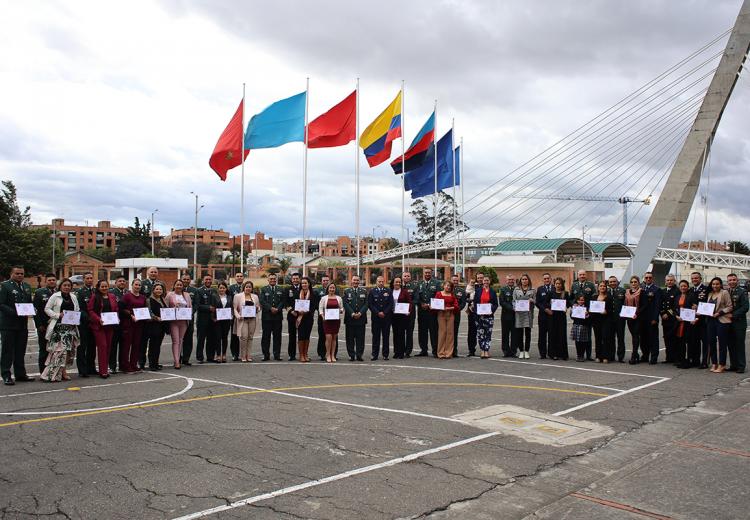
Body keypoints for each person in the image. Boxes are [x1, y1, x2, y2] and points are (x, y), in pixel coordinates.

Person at [40, 278, 80, 382]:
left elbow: (77, 310)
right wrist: (58, 315)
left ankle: (63, 371)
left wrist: (75, 317)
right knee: (58, 352)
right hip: (58, 328)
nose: (67, 287)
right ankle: (49, 374)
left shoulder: (73, 297)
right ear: (60, 286)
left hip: (70, 327)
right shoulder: (55, 296)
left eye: (68, 285)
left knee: (68, 351)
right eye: (64, 285)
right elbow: (47, 309)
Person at [0, 266, 33, 385]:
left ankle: (20, 374)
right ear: (11, 274)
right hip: (8, 324)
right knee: (7, 351)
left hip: (22, 324)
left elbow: (28, 303)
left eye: (22, 274)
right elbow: (2, 304)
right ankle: (6, 375)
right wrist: (15, 312)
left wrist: (31, 310)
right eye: (17, 273)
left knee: (20, 350)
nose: (20, 275)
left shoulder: (27, 286)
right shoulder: (5, 286)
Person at [87, 279, 119, 378]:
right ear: (98, 287)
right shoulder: (94, 297)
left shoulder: (112, 296)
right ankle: (103, 371)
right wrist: (98, 319)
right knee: (103, 347)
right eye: (102, 286)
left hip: (110, 325)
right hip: (99, 326)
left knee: (108, 347)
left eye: (106, 286)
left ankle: (106, 369)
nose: (104, 288)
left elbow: (116, 309)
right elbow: (90, 310)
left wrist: (117, 317)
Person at [119, 279, 148, 374]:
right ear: (132, 285)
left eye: (139, 285)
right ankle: (125, 366)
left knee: (136, 345)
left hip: (139, 324)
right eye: (136, 284)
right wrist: (131, 315)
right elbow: (121, 309)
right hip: (128, 323)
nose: (137, 286)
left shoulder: (143, 298)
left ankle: (134, 364)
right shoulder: (126, 296)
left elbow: (144, 310)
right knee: (126, 345)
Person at [705, 276, 732, 373]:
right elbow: (707, 307)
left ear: (720, 284)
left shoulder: (724, 293)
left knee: (722, 344)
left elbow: (729, 307)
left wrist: (719, 313)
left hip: (721, 320)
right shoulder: (710, 293)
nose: (715, 285)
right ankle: (714, 363)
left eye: (717, 284)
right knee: (711, 342)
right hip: (711, 321)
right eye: (713, 284)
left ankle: (722, 365)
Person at [33, 273, 57, 373]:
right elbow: (35, 310)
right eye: (50, 280)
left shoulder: (59, 292)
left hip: (56, 325)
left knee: (56, 349)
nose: (52, 282)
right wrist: (39, 325)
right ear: (45, 281)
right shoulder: (39, 292)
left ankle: (54, 370)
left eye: (53, 280)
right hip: (44, 325)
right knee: (44, 349)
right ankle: (43, 371)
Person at [166, 279, 192, 369]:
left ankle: (177, 359)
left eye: (181, 285)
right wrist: (174, 307)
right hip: (174, 321)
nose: (179, 286)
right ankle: (176, 361)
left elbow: (190, 307)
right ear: (174, 286)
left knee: (180, 340)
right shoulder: (170, 295)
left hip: (184, 321)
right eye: (177, 284)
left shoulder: (187, 295)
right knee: (175, 341)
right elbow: (166, 307)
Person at [571, 270, 596, 360]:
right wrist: (574, 305)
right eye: (580, 274)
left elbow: (594, 298)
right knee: (578, 337)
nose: (582, 276)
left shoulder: (591, 285)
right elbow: (571, 298)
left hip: (587, 313)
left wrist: (589, 311)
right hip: (577, 314)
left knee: (588, 336)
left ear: (586, 275)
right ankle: (580, 355)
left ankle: (588, 355)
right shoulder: (574, 285)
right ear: (578, 276)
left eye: (583, 274)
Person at [75, 272, 97, 377]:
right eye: (87, 278)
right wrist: (88, 318)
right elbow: (79, 308)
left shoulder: (95, 291)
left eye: (91, 278)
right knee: (82, 347)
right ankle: (82, 370)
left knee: (92, 347)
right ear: (83, 279)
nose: (89, 280)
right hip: (84, 323)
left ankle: (91, 368)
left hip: (95, 324)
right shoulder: (80, 292)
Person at [416, 268, 441, 357]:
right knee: (422, 331)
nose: (427, 274)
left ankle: (435, 350)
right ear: (423, 273)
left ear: (431, 273)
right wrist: (421, 304)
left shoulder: (437, 283)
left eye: (429, 273)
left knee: (433, 331)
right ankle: (423, 350)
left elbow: (439, 296)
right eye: (426, 272)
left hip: (432, 311)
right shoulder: (419, 283)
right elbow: (416, 296)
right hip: (422, 311)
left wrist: (430, 304)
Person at [260, 273, 285, 361]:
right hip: (267, 317)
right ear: (268, 279)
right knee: (266, 337)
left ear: (276, 279)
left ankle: (277, 354)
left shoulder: (281, 289)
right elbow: (262, 301)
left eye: (274, 279)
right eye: (271, 279)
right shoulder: (263, 289)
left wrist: (277, 309)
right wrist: (270, 308)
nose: (273, 280)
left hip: (277, 317)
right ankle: (266, 355)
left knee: (277, 337)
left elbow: (283, 301)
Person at [233, 281, 259, 363]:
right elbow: (234, 308)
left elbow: (258, 307)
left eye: (250, 287)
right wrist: (238, 316)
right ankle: (243, 355)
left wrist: (258, 309)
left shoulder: (255, 297)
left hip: (252, 319)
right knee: (244, 337)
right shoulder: (238, 296)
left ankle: (249, 355)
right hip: (242, 319)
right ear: (244, 287)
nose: (248, 288)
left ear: (252, 288)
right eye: (247, 287)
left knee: (250, 337)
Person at [674, 280, 698, 369]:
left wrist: (695, 309)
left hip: (688, 323)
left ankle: (689, 360)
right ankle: (681, 359)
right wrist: (676, 316)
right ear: (679, 287)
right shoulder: (677, 296)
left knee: (689, 342)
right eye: (681, 286)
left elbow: (695, 307)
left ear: (688, 287)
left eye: (685, 286)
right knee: (681, 342)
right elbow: (674, 308)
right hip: (679, 322)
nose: (683, 288)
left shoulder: (692, 296)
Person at [139, 266, 160, 369]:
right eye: (151, 272)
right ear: (147, 273)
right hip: (145, 317)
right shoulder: (143, 283)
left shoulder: (160, 283)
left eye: (155, 272)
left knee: (154, 343)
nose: (153, 273)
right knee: (143, 342)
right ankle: (141, 362)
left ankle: (153, 363)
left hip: (156, 318)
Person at [344, 275, 368, 362]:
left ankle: (359, 355)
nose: (356, 282)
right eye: (354, 280)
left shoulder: (364, 291)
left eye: (357, 280)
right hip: (350, 319)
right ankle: (351, 355)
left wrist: (360, 313)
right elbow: (345, 304)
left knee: (360, 338)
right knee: (349, 338)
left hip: (361, 319)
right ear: (351, 281)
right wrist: (352, 313)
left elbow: (366, 304)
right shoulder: (346, 291)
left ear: (359, 281)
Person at [473, 276, 498, 359]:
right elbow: (475, 303)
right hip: (479, 316)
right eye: (484, 280)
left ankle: (486, 350)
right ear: (482, 282)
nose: (486, 282)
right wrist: (478, 312)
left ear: (489, 281)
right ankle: (482, 350)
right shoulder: (478, 291)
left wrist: (491, 310)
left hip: (489, 316)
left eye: (487, 280)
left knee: (488, 334)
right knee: (480, 334)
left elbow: (495, 304)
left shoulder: (492, 291)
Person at [726, 273, 747, 373]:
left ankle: (741, 366)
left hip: (739, 323)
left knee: (739, 345)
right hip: (728, 323)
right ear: (727, 282)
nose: (732, 282)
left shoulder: (742, 292)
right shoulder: (726, 292)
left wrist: (733, 315)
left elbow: (745, 307)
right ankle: (733, 365)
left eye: (734, 280)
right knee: (731, 345)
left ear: (737, 280)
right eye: (730, 280)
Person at [368, 276, 393, 361]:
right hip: (376, 318)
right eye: (379, 281)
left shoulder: (388, 291)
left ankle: (385, 354)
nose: (381, 283)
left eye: (382, 281)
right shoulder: (372, 291)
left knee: (386, 336)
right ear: (376, 282)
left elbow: (390, 303)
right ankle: (374, 354)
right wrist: (378, 312)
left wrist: (384, 312)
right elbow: (370, 304)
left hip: (386, 318)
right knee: (376, 336)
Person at [433, 279, 458, 359]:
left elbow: (456, 306)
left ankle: (448, 353)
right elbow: (435, 303)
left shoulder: (452, 295)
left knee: (450, 333)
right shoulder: (438, 294)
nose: (448, 287)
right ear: (443, 286)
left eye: (449, 286)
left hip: (450, 314)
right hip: (441, 314)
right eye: (446, 285)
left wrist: (450, 308)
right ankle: (440, 353)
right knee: (442, 333)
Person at [319, 282, 343, 363]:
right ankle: (328, 354)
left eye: (333, 288)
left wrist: (341, 310)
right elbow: (320, 309)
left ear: (335, 289)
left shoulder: (339, 298)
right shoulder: (323, 298)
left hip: (336, 321)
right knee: (328, 337)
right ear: (328, 289)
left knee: (334, 338)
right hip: (327, 321)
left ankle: (333, 355)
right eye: (330, 288)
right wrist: (323, 317)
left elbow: (342, 308)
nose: (332, 289)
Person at [145, 282, 168, 371]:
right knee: (153, 345)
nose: (159, 291)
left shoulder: (163, 299)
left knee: (158, 345)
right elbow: (149, 312)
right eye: (157, 289)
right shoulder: (149, 300)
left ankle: (156, 362)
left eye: (160, 289)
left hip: (161, 326)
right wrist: (156, 318)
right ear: (153, 290)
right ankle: (152, 364)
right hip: (153, 325)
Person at [640, 272, 662, 364]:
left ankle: (653, 357)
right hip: (642, 318)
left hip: (651, 318)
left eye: (650, 278)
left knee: (653, 339)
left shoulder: (656, 290)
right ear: (644, 278)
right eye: (646, 278)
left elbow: (657, 305)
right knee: (643, 339)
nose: (648, 279)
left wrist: (655, 318)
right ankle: (645, 356)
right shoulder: (641, 289)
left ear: (652, 279)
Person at [591, 281, 614, 363]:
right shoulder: (594, 297)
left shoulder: (609, 297)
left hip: (606, 321)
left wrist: (606, 311)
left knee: (605, 338)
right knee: (598, 339)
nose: (602, 287)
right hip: (596, 321)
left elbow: (611, 310)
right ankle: (598, 356)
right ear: (598, 287)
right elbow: (591, 309)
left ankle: (605, 356)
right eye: (601, 286)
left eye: (604, 286)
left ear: (606, 288)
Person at [512, 274, 535, 359]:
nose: (524, 281)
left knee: (528, 334)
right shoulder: (516, 290)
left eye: (526, 279)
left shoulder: (533, 290)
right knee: (519, 333)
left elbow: (535, 301)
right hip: (519, 314)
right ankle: (521, 351)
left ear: (528, 280)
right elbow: (514, 301)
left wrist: (532, 300)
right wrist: (515, 307)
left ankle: (527, 351)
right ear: (520, 281)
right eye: (523, 279)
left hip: (528, 314)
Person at [689, 272, 709, 368]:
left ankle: (705, 362)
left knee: (705, 342)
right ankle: (695, 360)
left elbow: (709, 305)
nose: (694, 280)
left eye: (696, 278)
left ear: (700, 279)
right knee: (695, 341)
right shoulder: (691, 290)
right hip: (693, 320)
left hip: (703, 320)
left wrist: (698, 308)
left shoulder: (706, 289)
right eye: (693, 278)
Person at [195, 274, 217, 363]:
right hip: (202, 319)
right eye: (206, 279)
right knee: (201, 339)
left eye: (210, 279)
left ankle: (210, 357)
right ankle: (200, 357)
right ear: (203, 281)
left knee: (211, 339)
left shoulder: (214, 291)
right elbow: (197, 305)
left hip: (212, 319)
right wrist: (208, 308)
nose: (208, 281)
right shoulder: (198, 291)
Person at [390, 276, 413, 359]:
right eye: (396, 282)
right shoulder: (390, 291)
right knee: (395, 334)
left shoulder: (404, 292)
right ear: (393, 283)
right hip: (393, 316)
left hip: (402, 316)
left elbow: (410, 302)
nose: (398, 283)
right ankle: (396, 352)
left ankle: (401, 352)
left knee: (401, 334)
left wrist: (408, 311)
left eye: (399, 282)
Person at [109, 276, 128, 373]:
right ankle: (112, 366)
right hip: (114, 322)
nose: (122, 282)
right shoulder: (111, 293)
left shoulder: (128, 293)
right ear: (115, 282)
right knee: (113, 345)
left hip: (126, 322)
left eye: (123, 281)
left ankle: (122, 365)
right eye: (120, 281)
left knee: (124, 345)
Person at [548, 277, 569, 360]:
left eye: (559, 283)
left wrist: (566, 307)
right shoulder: (551, 293)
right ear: (554, 284)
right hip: (553, 317)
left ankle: (563, 354)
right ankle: (553, 354)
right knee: (553, 335)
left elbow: (569, 302)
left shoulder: (565, 293)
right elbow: (546, 303)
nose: (558, 285)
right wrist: (549, 306)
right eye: (556, 283)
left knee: (562, 335)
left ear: (562, 284)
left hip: (562, 317)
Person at [180, 272, 198, 366]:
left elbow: (196, 303)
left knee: (188, 339)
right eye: (184, 279)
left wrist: (191, 312)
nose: (186, 281)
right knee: (179, 339)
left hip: (189, 318)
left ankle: (186, 358)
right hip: (178, 319)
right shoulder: (176, 289)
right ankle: (178, 357)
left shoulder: (194, 290)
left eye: (188, 279)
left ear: (190, 280)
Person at [294, 277, 314, 362]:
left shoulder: (313, 294)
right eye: (302, 283)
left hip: (309, 317)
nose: (304, 285)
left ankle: (306, 354)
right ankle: (301, 355)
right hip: (300, 318)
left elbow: (314, 306)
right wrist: (297, 311)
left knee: (307, 336)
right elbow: (294, 304)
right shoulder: (297, 293)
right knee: (301, 336)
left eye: (305, 283)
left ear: (309, 284)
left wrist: (307, 311)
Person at [626, 276, 645, 365]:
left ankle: (634, 355)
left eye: (635, 282)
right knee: (633, 335)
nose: (633, 284)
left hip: (638, 318)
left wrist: (637, 313)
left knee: (636, 335)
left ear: (638, 283)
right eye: (632, 282)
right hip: (629, 317)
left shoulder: (642, 292)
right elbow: (624, 304)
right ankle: (636, 354)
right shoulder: (627, 292)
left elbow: (645, 305)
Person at [607, 276, 627, 362]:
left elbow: (626, 304)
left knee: (620, 338)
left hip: (620, 319)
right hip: (609, 319)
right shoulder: (606, 292)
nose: (612, 283)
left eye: (614, 281)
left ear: (617, 282)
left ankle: (621, 357)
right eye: (610, 282)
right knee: (611, 338)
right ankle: (611, 356)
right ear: (608, 283)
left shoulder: (622, 291)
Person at [661, 274, 679, 364]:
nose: (669, 282)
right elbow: (660, 304)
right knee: (667, 338)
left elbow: (676, 306)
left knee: (674, 339)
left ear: (674, 281)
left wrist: (668, 313)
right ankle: (669, 357)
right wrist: (662, 313)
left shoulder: (677, 291)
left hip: (673, 319)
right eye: (668, 280)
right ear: (665, 281)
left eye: (671, 280)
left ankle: (676, 358)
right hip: (665, 320)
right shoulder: (663, 291)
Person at [213, 281, 232, 363]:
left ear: (226, 289)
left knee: (225, 338)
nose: (222, 289)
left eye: (223, 288)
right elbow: (212, 308)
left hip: (227, 321)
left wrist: (231, 315)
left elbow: (231, 308)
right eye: (220, 288)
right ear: (218, 289)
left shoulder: (230, 297)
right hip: (217, 321)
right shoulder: (214, 297)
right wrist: (213, 318)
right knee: (218, 338)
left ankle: (224, 354)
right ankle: (218, 355)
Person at [535, 273, 553, 360]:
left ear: (550, 279)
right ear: (543, 280)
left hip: (552, 316)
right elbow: (537, 302)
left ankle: (551, 353)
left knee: (551, 335)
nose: (546, 280)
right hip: (542, 316)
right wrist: (545, 309)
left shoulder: (554, 288)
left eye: (548, 278)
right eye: (545, 279)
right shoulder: (540, 289)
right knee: (542, 336)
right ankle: (542, 353)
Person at [465, 273, 483, 357]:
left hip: (483, 312)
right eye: (478, 278)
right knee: (472, 331)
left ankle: (484, 349)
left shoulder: (486, 287)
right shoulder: (471, 287)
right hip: (472, 312)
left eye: (481, 278)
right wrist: (471, 302)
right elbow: (466, 298)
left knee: (484, 331)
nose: (480, 279)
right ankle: (471, 350)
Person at [314, 275, 332, 361]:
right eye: (324, 280)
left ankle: (332, 353)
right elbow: (316, 304)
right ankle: (322, 353)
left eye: (327, 280)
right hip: (322, 317)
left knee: (332, 336)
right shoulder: (317, 291)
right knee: (322, 335)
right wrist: (322, 312)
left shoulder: (334, 289)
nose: (325, 282)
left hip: (332, 317)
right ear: (321, 281)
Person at [228, 272, 245, 361]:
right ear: (235, 278)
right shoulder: (231, 288)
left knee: (244, 335)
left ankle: (244, 354)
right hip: (234, 315)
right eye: (237, 276)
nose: (239, 278)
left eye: (241, 276)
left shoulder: (247, 286)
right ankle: (235, 354)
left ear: (243, 277)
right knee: (234, 335)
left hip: (245, 315)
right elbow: (229, 301)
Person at [498, 275, 516, 357]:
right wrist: (512, 308)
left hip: (516, 316)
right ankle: (505, 351)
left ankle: (513, 351)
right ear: (506, 281)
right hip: (505, 316)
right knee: (505, 334)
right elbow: (502, 302)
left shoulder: (517, 289)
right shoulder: (503, 289)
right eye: (509, 280)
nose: (511, 281)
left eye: (512, 279)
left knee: (514, 334)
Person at [285, 272, 301, 361]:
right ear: (291, 280)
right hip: (291, 316)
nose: (295, 280)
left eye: (297, 278)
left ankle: (302, 353)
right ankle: (291, 354)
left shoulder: (303, 288)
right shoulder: (288, 289)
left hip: (302, 316)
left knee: (302, 336)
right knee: (292, 336)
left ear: (299, 279)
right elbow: (285, 302)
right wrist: (291, 311)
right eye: (294, 278)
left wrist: (301, 312)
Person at [402, 271, 418, 356]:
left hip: (410, 313)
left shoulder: (414, 286)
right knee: (400, 332)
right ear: (402, 277)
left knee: (409, 332)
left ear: (410, 277)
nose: (406, 277)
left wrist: (408, 308)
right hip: (399, 313)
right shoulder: (398, 285)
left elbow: (416, 300)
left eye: (408, 276)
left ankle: (408, 351)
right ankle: (400, 349)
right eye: (405, 276)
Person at [571, 295, 591, 362]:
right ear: (577, 300)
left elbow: (589, 318)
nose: (581, 301)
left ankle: (582, 355)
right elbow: (572, 317)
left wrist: (587, 315)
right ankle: (578, 355)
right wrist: (572, 312)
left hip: (584, 326)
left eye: (582, 300)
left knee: (583, 342)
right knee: (577, 341)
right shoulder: (575, 307)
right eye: (579, 300)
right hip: (576, 325)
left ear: (584, 301)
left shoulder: (587, 308)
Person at [451, 274, 467, 357]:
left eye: (456, 280)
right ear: (451, 281)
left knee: (454, 332)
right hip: (446, 314)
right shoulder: (446, 289)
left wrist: (457, 309)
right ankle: (447, 349)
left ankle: (454, 350)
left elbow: (463, 303)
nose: (455, 282)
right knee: (446, 332)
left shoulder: (461, 291)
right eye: (454, 280)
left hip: (456, 314)